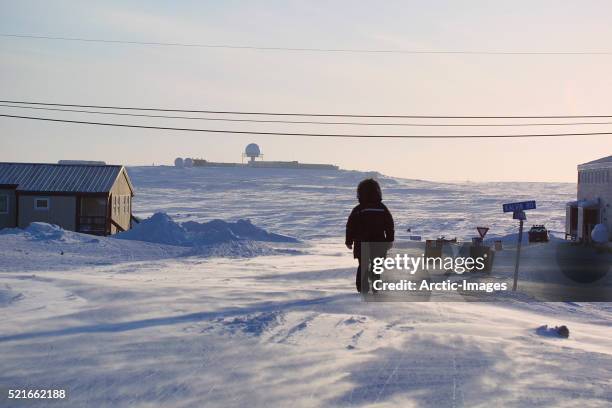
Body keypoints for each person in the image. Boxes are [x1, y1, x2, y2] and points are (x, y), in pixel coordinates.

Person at [345, 178, 395, 293]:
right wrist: (389, 240)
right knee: (376, 266)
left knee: (363, 265)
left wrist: (349, 241)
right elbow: (389, 225)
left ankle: (363, 288)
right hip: (379, 243)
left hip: (361, 243)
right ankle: (375, 286)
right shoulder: (382, 208)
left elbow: (350, 226)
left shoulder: (358, 209)